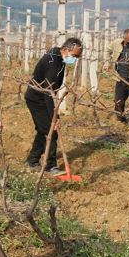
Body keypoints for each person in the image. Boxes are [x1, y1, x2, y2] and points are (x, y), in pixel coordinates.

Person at [24, 37, 83, 175]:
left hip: (43, 97)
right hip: (37, 98)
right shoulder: (53, 62)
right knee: (51, 131)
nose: (74, 59)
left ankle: (32, 160)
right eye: (74, 56)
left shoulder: (58, 56)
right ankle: (50, 165)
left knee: (43, 129)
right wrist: (54, 117)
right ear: (65, 49)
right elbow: (48, 92)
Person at [103, 28, 129, 125]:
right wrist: (107, 63)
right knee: (119, 102)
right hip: (120, 78)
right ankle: (120, 120)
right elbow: (107, 50)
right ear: (124, 38)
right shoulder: (117, 43)